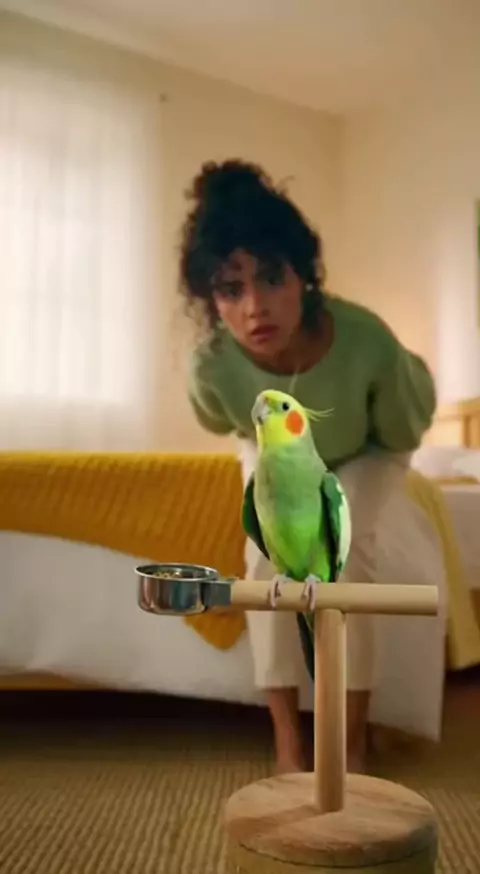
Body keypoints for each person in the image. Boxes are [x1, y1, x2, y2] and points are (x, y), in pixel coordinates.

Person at [179, 159, 437, 775]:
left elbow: (400, 431)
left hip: (367, 447)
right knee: (266, 555)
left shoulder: (368, 341)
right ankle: (288, 742)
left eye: (273, 278)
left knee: (342, 550)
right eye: (231, 289)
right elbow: (223, 423)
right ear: (212, 301)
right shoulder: (211, 366)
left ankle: (350, 742)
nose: (255, 308)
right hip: (275, 443)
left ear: (305, 278)